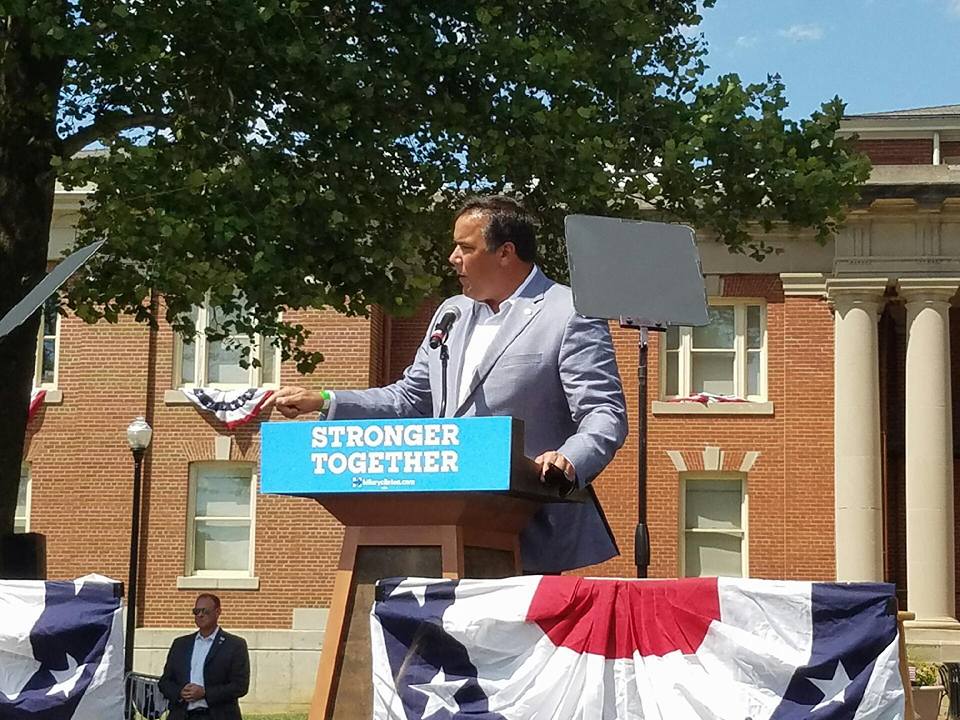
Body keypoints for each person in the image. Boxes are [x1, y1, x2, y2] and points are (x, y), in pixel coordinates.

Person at [269, 195, 628, 573]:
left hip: (526, 526)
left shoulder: (568, 312)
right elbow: (409, 399)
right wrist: (324, 400)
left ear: (505, 252)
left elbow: (603, 413)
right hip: (440, 525)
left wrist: (568, 459)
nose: (453, 258)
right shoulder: (451, 312)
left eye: (466, 247)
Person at [158, 593, 250, 720]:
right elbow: (165, 682)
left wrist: (205, 693)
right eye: (196, 611)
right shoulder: (180, 644)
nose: (200, 615)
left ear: (218, 612)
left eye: (205, 611)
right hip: (182, 715)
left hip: (217, 715)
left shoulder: (235, 645)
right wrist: (180, 692)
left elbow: (240, 686)